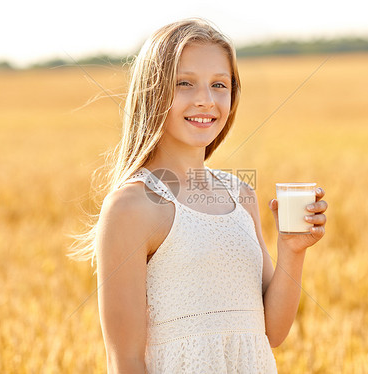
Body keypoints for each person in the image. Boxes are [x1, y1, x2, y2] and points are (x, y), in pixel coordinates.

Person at [71, 17, 328, 373]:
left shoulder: (241, 196)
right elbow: (125, 360)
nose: (206, 100)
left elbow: (271, 331)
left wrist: (292, 250)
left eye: (219, 85)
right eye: (185, 83)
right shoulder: (131, 206)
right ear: (152, 92)